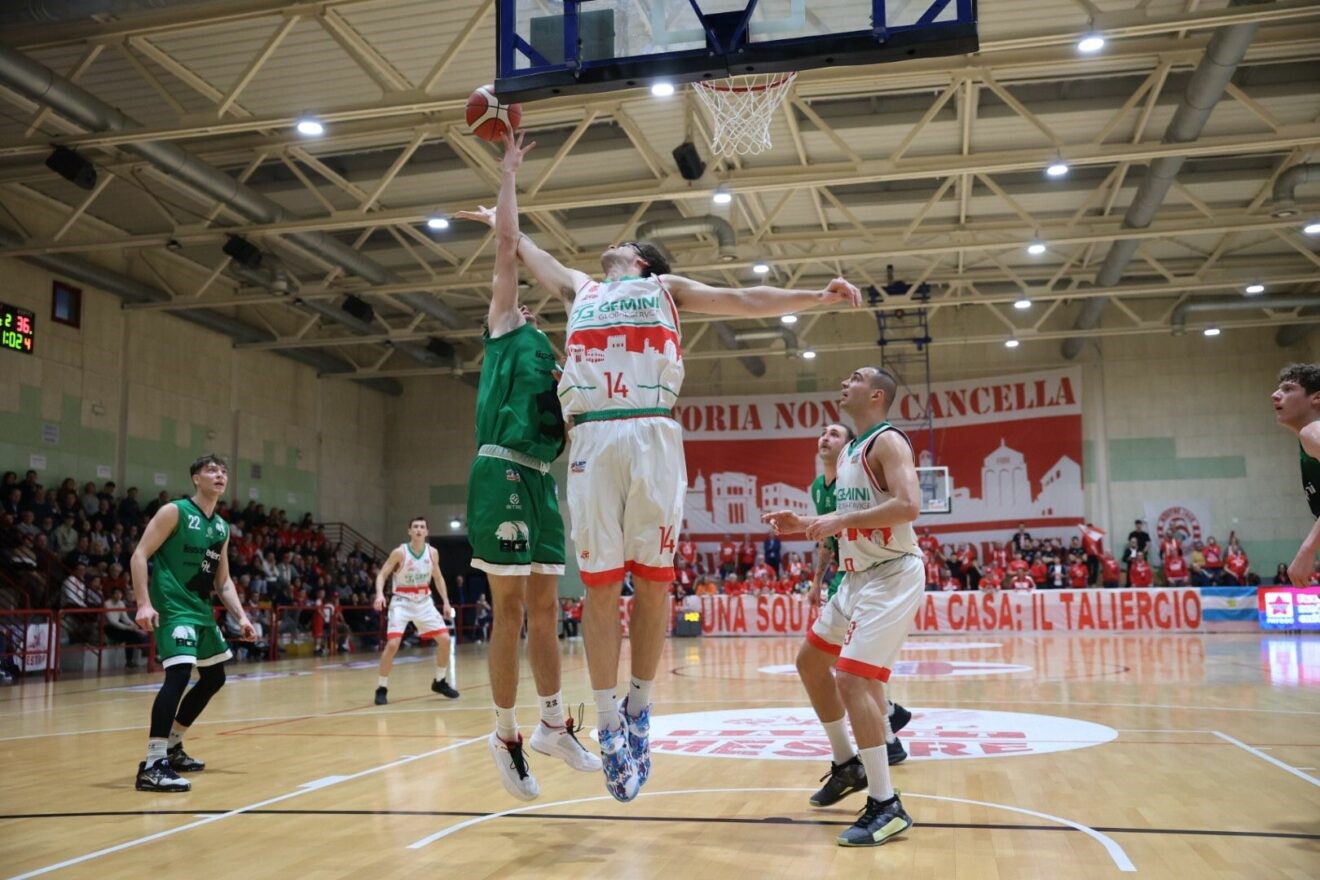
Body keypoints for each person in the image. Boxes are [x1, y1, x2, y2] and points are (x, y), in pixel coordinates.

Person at [462, 172, 861, 804]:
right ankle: (606, 716)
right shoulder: (579, 288)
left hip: (652, 435)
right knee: (597, 588)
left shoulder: (665, 288)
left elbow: (745, 299)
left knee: (653, 583)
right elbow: (520, 248)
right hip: (592, 438)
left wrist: (817, 296)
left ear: (643, 261)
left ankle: (640, 706)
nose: (610, 247)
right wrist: (504, 203)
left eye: (623, 243)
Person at [460, 132, 599, 801]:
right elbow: (508, 249)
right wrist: (508, 177)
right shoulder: (504, 326)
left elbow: (571, 425)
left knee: (548, 610)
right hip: (501, 471)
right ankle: (504, 734)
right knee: (509, 609)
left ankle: (552, 723)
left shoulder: (556, 359)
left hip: (542, 481)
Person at [764, 366, 920, 848]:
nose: (843, 382)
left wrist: (838, 519)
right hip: (855, 578)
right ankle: (846, 761)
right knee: (811, 662)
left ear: (875, 395)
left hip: (891, 573)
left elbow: (909, 505)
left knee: (853, 677)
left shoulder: (888, 442)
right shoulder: (852, 450)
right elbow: (846, 520)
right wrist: (803, 524)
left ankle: (886, 804)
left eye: (853, 377)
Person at [130, 455, 255, 792]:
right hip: (173, 607)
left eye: (224, 471)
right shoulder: (175, 512)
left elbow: (223, 582)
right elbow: (139, 554)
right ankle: (153, 764)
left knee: (215, 677)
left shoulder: (221, 527)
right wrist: (143, 603)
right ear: (196, 478)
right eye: (212, 470)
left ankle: (173, 745)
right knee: (180, 674)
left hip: (201, 610)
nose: (220, 475)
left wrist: (241, 616)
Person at [371, 516, 459, 705]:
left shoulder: (432, 552)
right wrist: (379, 594)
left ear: (427, 532)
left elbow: (438, 577)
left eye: (422, 527)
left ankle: (440, 681)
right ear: (409, 531)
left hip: (424, 601)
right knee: (393, 644)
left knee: (444, 640)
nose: (419, 530)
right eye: (415, 527)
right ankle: (382, 687)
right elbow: (382, 574)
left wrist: (445, 602)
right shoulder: (399, 552)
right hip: (401, 601)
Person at [104, 587, 149, 668]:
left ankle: (131, 660)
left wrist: (132, 624)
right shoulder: (107, 604)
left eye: (120, 594)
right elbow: (112, 621)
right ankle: (145, 651)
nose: (118, 595)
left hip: (119, 627)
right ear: (112, 595)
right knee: (132, 635)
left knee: (131, 636)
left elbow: (125, 618)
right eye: (116, 593)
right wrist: (128, 628)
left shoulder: (121, 603)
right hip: (109, 628)